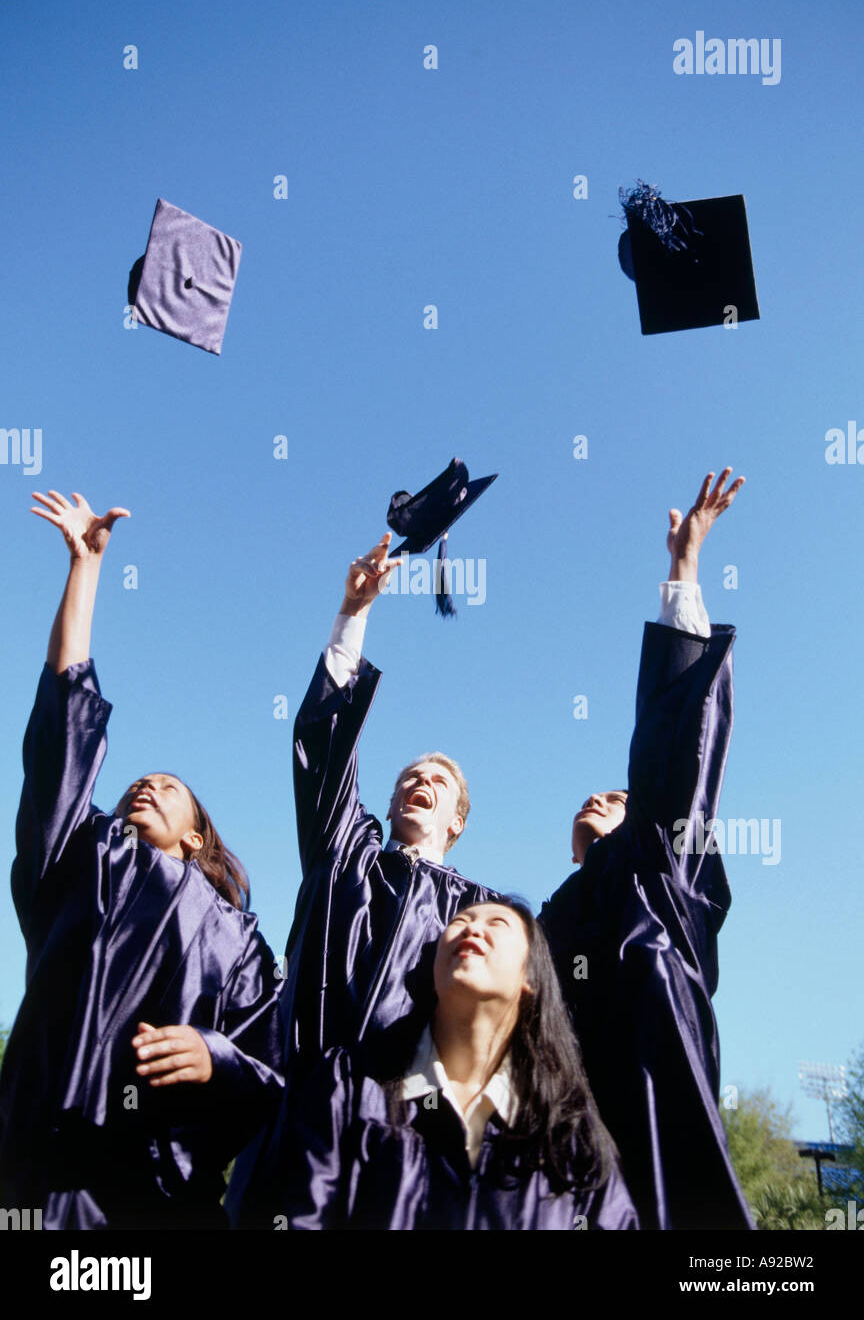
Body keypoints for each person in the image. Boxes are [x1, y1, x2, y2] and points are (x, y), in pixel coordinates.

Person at [232, 469, 748, 1230]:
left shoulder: (496, 914)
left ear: (460, 818)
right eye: (408, 773)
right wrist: (352, 616)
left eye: (437, 778)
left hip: (527, 1152)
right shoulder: (352, 861)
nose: (418, 780)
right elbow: (323, 761)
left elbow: (677, 779)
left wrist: (683, 582)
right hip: (324, 1126)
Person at [0, 491, 284, 1229]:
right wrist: (85, 572)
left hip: (156, 1196)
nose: (146, 784)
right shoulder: (83, 853)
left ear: (197, 836)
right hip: (38, 1167)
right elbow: (63, 731)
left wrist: (212, 1054)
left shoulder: (237, 938)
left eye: (169, 787)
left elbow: (269, 1067)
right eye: (137, 781)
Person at [541, 469, 753, 1229]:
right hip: (555, 1157)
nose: (601, 799)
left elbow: (674, 753)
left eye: (619, 798)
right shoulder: (540, 924)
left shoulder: (657, 867)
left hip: (656, 1132)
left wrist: (683, 572)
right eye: (589, 799)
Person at [269, 899, 638, 1230]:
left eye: (498, 924)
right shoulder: (351, 1085)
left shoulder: (571, 1138)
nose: (473, 927)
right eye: (460, 921)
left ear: (531, 978)